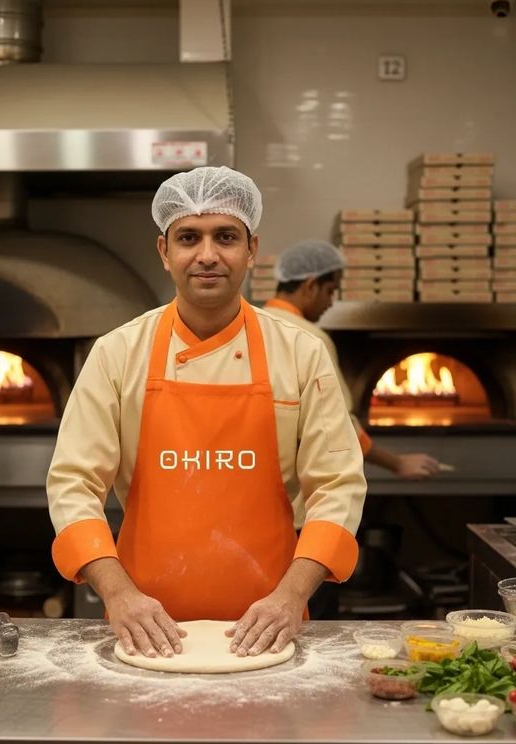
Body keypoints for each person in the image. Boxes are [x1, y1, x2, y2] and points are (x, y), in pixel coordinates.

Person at [47, 167, 366, 661]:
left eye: (226, 237)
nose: (208, 255)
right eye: (189, 237)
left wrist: (292, 596)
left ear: (252, 249)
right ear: (164, 251)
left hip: (270, 625)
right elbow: (73, 484)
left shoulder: (301, 354)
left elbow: (337, 486)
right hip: (143, 626)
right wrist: (117, 594)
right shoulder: (117, 353)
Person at [263, 240, 441, 481]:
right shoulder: (309, 338)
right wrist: (397, 462)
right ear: (311, 286)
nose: (331, 302)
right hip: (297, 483)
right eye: (330, 291)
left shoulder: (255, 325)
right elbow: (339, 424)